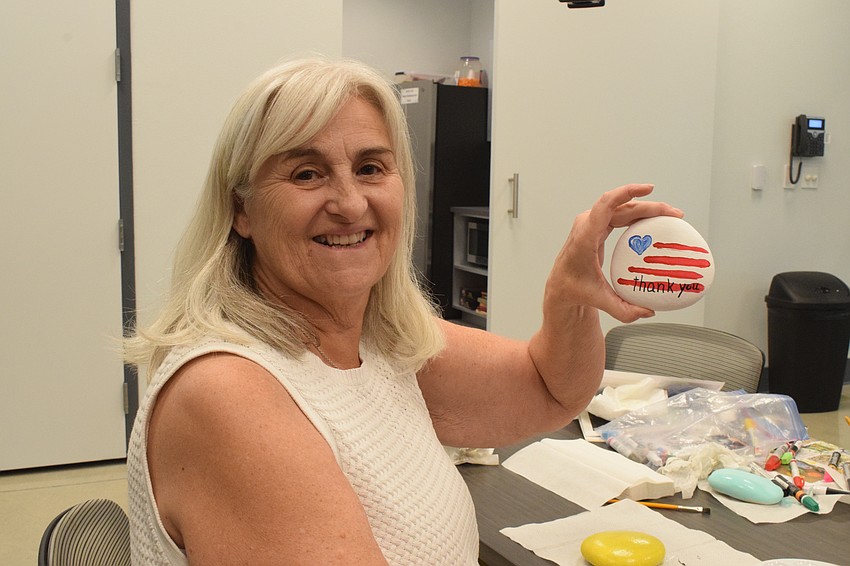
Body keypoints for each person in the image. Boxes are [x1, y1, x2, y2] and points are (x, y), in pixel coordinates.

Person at [124, 56, 683, 565]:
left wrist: (569, 298)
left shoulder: (375, 344)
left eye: (370, 168)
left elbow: (551, 389)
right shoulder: (230, 393)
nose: (349, 204)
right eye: (306, 174)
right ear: (241, 211)